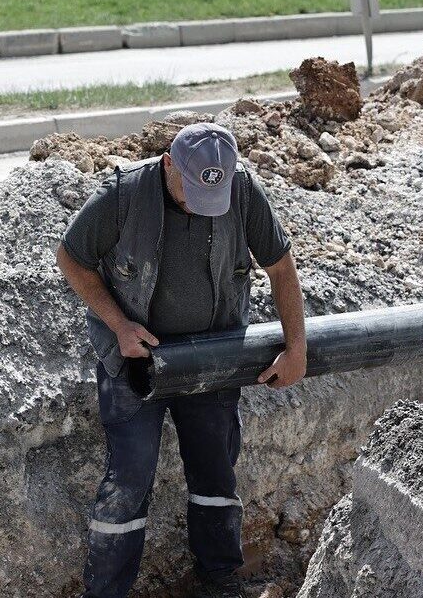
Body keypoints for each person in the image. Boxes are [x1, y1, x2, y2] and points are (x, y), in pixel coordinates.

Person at [56, 122, 307, 598]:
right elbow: (71, 258)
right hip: (135, 364)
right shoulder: (123, 196)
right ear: (168, 163)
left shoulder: (244, 191)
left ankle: (219, 580)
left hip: (211, 361)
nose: (199, 206)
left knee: (215, 469)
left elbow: (280, 266)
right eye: (191, 193)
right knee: (130, 475)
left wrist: (297, 348)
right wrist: (119, 324)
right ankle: (107, 592)